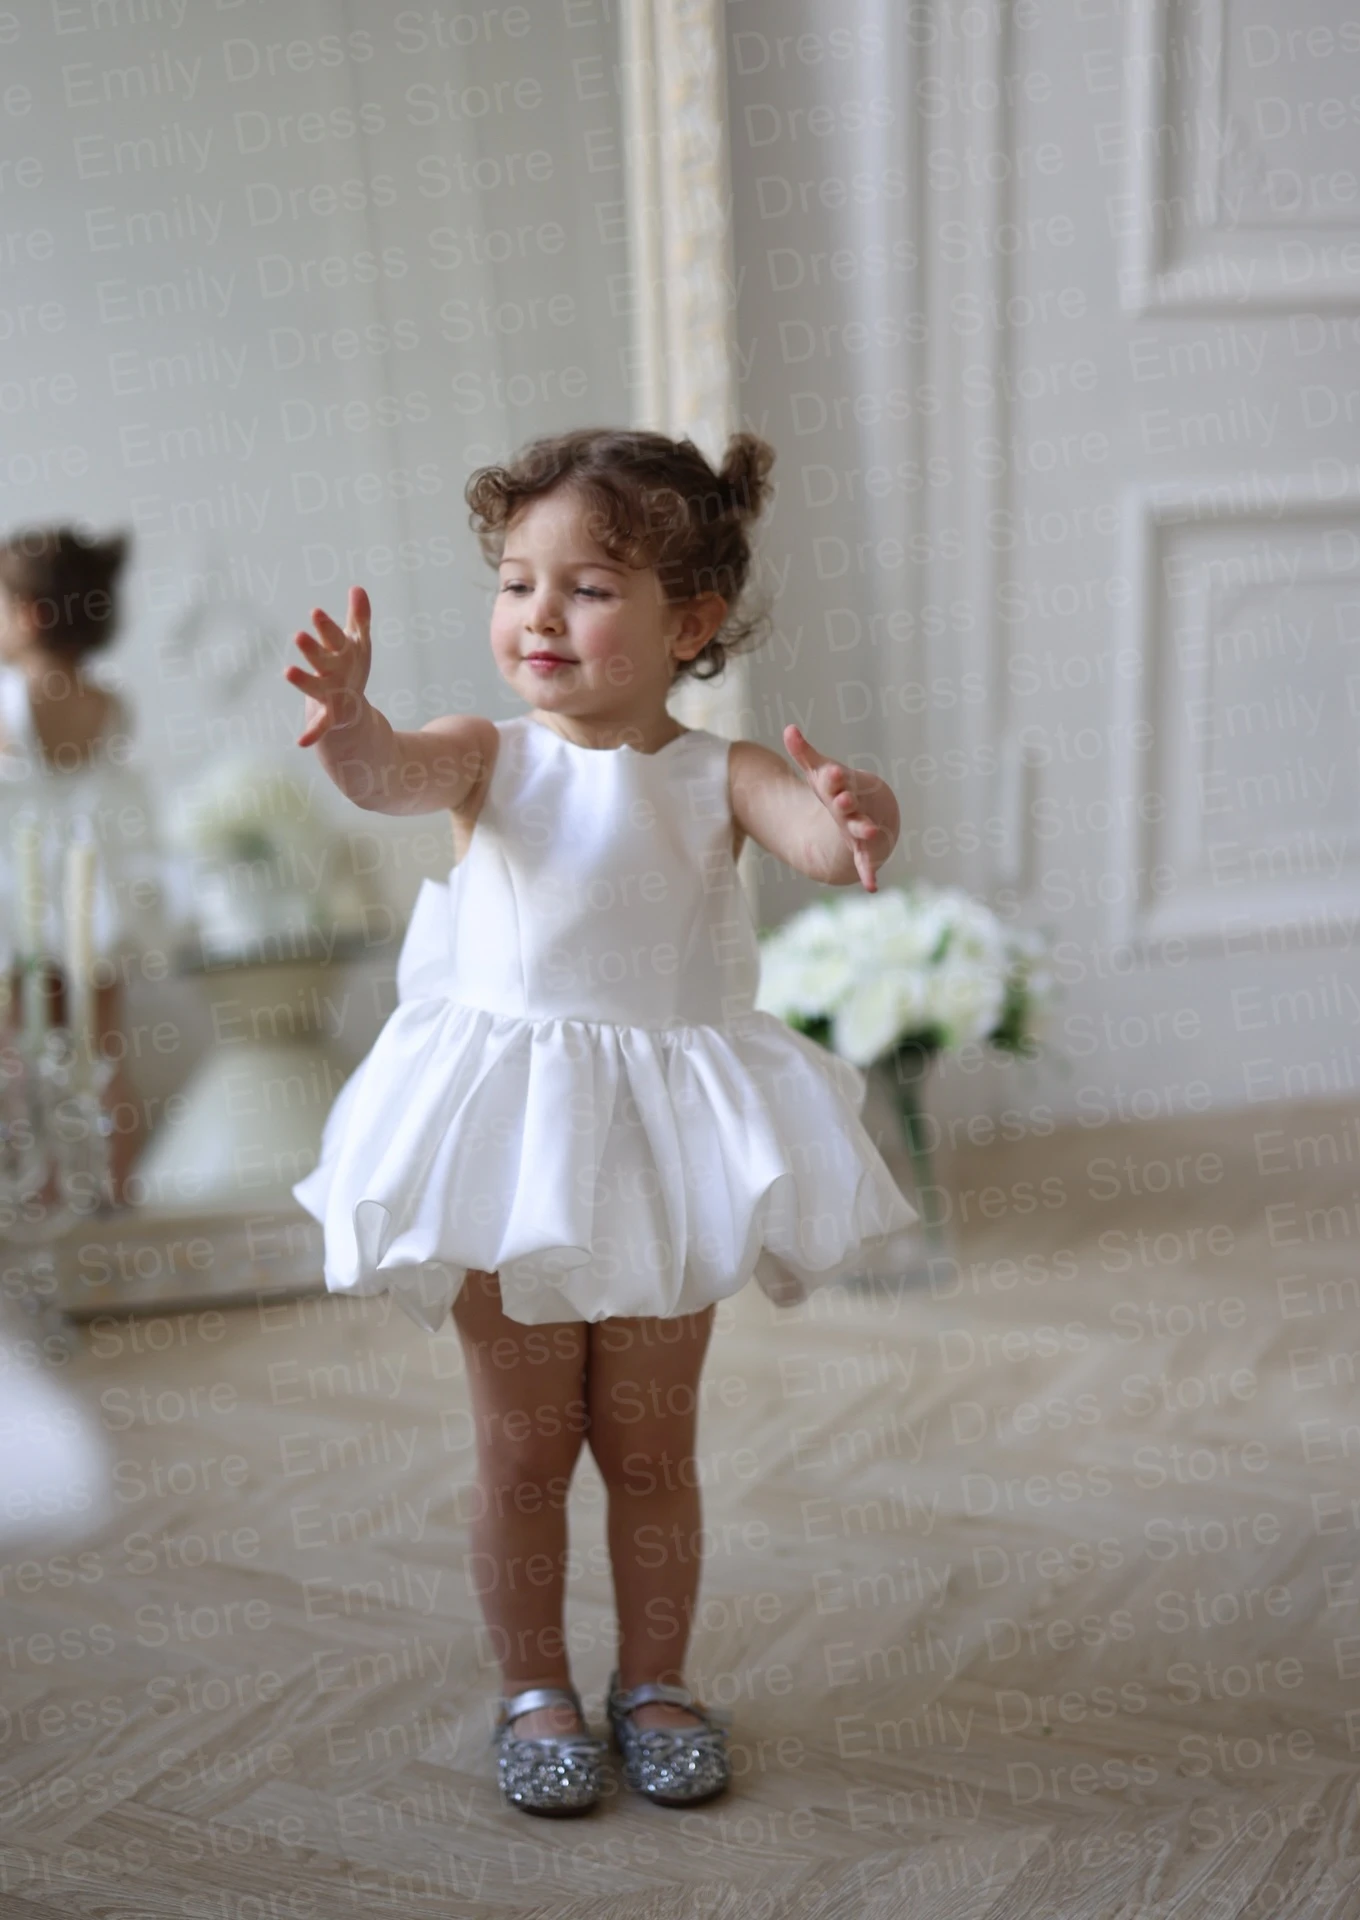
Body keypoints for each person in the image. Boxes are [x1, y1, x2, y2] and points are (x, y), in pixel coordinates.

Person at [286, 428, 918, 1817]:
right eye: (517, 583)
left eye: (586, 587)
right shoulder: (485, 756)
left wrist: (856, 814)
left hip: (651, 1160)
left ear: (690, 621)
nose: (539, 616)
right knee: (524, 1448)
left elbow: (815, 840)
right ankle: (533, 1687)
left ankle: (657, 1681)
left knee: (646, 1448)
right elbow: (393, 773)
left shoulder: (718, 773)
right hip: (509, 1147)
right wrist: (349, 728)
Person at [0, 526, 162, 1196]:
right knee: (99, 1051)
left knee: (16, 1051)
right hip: (94, 894)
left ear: (30, 615)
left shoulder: (10, 700)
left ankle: (33, 1195)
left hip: (22, 890)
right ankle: (109, 1192)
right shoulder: (107, 703)